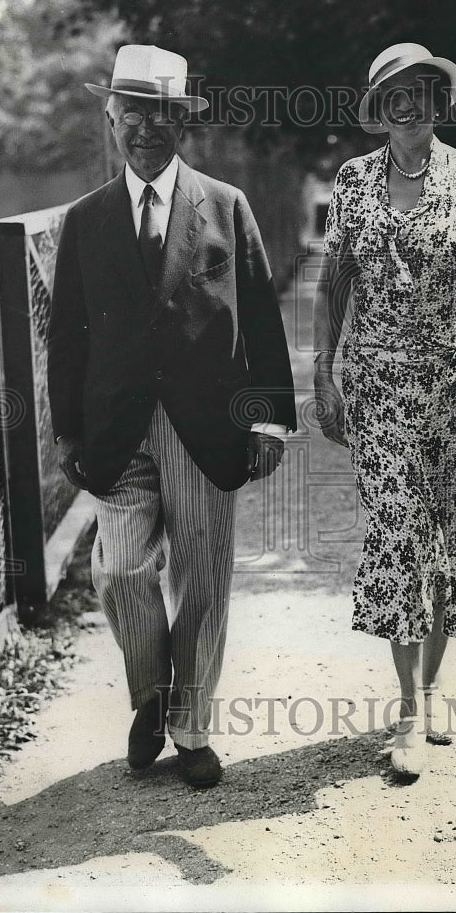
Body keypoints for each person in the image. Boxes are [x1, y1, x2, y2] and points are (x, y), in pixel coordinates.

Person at [48, 44, 296, 788]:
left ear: (181, 119)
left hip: (205, 426)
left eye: (161, 114)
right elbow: (65, 332)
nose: (146, 129)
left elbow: (259, 315)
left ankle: (190, 729)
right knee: (120, 569)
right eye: (132, 115)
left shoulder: (223, 204)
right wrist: (68, 429)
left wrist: (269, 421)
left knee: (202, 578)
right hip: (117, 426)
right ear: (110, 119)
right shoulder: (85, 219)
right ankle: (151, 695)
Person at [312, 43, 456, 780]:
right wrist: (323, 378)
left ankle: (429, 695)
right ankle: (406, 712)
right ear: (378, 106)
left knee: (451, 548)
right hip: (379, 391)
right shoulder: (352, 180)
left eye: (421, 91)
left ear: (437, 101)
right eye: (393, 93)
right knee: (399, 539)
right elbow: (331, 284)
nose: (408, 104)